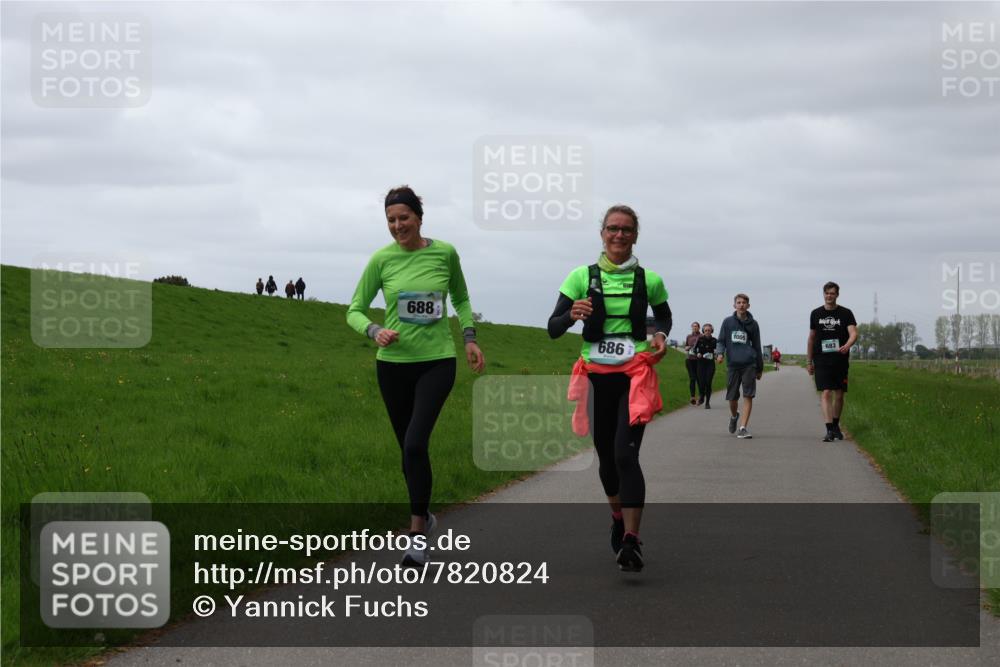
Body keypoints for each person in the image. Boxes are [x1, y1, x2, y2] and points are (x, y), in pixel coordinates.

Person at [347, 185, 485, 567]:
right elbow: (354, 309)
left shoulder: (445, 253)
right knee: (408, 453)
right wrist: (375, 331)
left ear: (419, 218)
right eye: (391, 220)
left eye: (403, 218)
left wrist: (469, 338)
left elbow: (461, 297)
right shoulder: (381, 260)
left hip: (437, 361)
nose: (397, 226)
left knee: (414, 444)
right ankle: (424, 515)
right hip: (392, 366)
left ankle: (416, 535)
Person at [548, 204, 672, 573]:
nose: (619, 235)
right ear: (601, 233)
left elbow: (663, 314)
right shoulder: (579, 278)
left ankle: (632, 540)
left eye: (626, 230)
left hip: (634, 377)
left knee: (624, 455)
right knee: (606, 460)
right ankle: (618, 517)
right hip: (595, 379)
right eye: (612, 229)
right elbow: (553, 328)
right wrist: (572, 314)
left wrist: (661, 334)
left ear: (635, 236)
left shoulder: (649, 279)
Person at [807, 282, 858, 442]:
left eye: (832, 293)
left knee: (839, 394)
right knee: (826, 392)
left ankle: (836, 425)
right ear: (823, 294)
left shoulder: (846, 313)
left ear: (837, 295)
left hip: (840, 359)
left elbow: (853, 333)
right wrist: (809, 361)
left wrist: (847, 345)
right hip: (821, 358)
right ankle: (829, 429)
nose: (829, 296)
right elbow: (811, 338)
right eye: (827, 293)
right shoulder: (816, 313)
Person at [715, 294, 763, 439]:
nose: (741, 305)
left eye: (744, 303)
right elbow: (721, 340)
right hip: (733, 364)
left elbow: (757, 346)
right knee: (732, 397)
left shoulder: (753, 324)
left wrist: (759, 367)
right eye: (739, 302)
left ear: (748, 306)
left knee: (748, 395)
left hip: (749, 364)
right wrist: (720, 353)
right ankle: (735, 416)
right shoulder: (728, 322)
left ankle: (743, 428)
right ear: (734, 305)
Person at [695, 323, 717, 409]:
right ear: (703, 331)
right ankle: (701, 396)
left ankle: (707, 402)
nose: (707, 332)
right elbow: (694, 350)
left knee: (708, 383)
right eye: (706, 330)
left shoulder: (714, 340)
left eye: (709, 330)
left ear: (712, 331)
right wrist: (698, 353)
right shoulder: (700, 339)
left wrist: (716, 355)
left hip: (710, 364)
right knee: (701, 383)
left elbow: (717, 351)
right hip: (701, 364)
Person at [684, 322, 702, 405]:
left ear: (699, 327)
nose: (695, 328)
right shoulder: (689, 336)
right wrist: (687, 347)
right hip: (689, 359)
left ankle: (701, 396)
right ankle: (692, 397)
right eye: (693, 326)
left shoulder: (701, 336)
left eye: (696, 326)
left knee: (699, 378)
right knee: (692, 378)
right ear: (691, 327)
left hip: (698, 360)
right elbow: (686, 346)